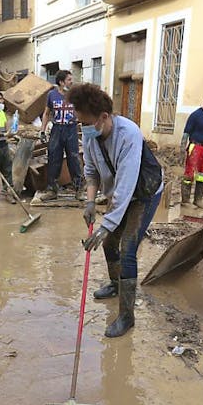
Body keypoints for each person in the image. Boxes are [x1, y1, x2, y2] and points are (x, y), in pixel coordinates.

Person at [69, 83, 162, 338]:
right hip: (121, 193)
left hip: (144, 192)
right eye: (80, 123)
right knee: (110, 242)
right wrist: (90, 202)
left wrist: (105, 225)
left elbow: (126, 185)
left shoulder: (128, 134)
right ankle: (115, 284)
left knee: (128, 248)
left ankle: (126, 316)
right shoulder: (92, 137)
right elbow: (91, 171)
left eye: (86, 122)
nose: (83, 128)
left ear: (104, 117)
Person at [39, 70, 85, 201]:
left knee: (74, 159)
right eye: (69, 79)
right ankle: (52, 190)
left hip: (71, 129)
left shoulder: (75, 95)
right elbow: (46, 113)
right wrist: (42, 131)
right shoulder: (51, 95)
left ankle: (79, 190)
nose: (71, 82)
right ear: (61, 82)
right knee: (54, 159)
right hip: (57, 130)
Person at [0, 91, 17, 203]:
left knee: (7, 169)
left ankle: (8, 193)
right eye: (0, 99)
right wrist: (6, 134)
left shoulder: (1, 113)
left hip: (3, 145)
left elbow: (5, 128)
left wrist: (10, 132)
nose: (2, 101)